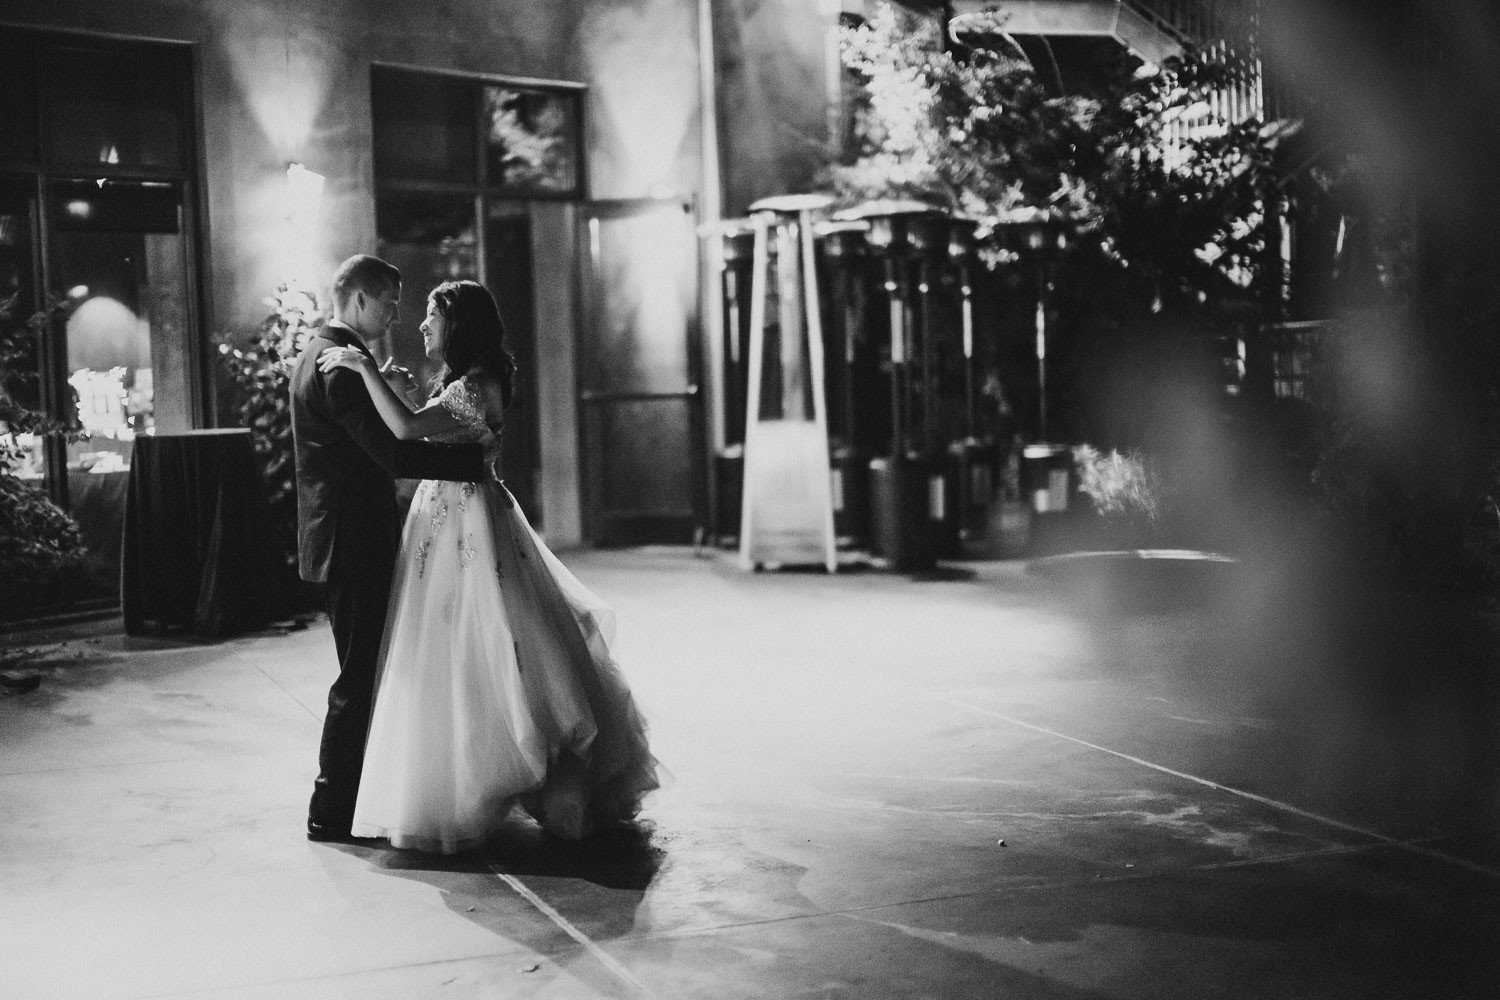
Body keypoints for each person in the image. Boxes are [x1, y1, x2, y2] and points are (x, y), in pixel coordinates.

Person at [316, 279, 659, 853]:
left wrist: (365, 367)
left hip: (466, 522)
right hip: (449, 516)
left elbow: (405, 430)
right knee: (457, 646)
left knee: (487, 641)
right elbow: (422, 421)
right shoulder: (464, 384)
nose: (421, 325)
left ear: (458, 324)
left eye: (430, 315)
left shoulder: (476, 386)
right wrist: (395, 386)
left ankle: (508, 769)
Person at [292, 255, 491, 843]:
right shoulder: (341, 367)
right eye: (388, 302)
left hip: (334, 536)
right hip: (355, 539)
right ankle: (330, 808)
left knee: (364, 670)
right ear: (357, 300)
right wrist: (472, 462)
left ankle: (347, 802)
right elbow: (395, 454)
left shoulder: (314, 353)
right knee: (359, 677)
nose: (396, 314)